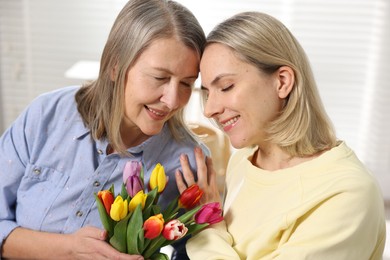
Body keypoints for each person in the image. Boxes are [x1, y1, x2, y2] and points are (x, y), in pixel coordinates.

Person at [0, 0, 207, 259]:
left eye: (187, 83)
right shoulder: (46, 116)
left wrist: (212, 217)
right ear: (115, 66)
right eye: (159, 78)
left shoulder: (188, 164)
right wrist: (68, 250)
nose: (173, 100)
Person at [176, 11, 386, 259]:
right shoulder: (243, 160)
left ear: (283, 82)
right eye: (207, 93)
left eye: (226, 87)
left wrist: (207, 224)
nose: (210, 109)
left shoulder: (347, 195)